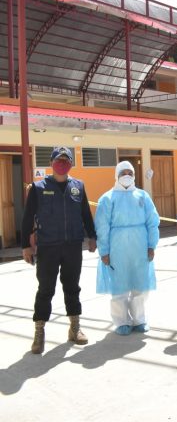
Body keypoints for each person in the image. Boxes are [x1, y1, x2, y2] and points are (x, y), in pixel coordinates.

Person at [21, 146, 97, 354]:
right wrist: (26, 246)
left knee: (72, 286)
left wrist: (92, 236)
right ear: (52, 162)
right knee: (46, 289)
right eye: (59, 160)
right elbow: (28, 218)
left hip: (73, 245)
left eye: (66, 160)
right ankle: (39, 331)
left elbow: (85, 214)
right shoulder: (38, 188)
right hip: (48, 247)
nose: (62, 163)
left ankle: (75, 327)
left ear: (71, 163)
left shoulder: (78, 187)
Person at [95, 161, 160, 335]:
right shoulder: (107, 199)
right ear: (116, 175)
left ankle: (139, 319)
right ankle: (121, 321)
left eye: (130, 172)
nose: (127, 176)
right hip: (117, 249)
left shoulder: (143, 197)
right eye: (123, 172)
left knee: (140, 285)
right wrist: (104, 251)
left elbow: (152, 222)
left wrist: (152, 245)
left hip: (140, 247)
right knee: (119, 286)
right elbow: (102, 227)